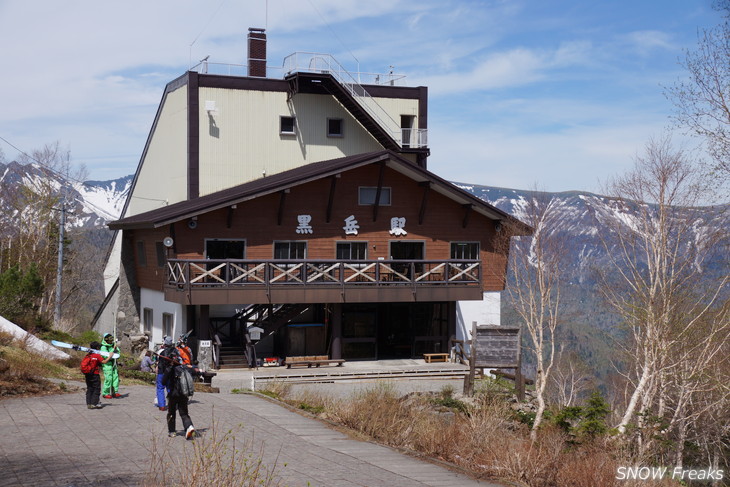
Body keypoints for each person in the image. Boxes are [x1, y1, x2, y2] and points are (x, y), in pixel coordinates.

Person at [162, 356, 196, 440]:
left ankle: (172, 431)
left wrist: (169, 367)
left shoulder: (171, 369)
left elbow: (163, 381)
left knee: (171, 413)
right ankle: (189, 427)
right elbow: (195, 372)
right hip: (184, 394)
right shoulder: (185, 368)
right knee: (184, 413)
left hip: (173, 395)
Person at [83, 341, 112, 409]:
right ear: (97, 347)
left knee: (90, 388)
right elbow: (104, 362)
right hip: (95, 374)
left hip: (88, 374)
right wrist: (110, 356)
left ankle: (89, 403)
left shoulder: (88, 354)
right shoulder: (97, 355)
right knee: (96, 388)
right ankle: (94, 403)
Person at [156, 336, 178, 411]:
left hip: (162, 372)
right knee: (170, 388)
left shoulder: (161, 351)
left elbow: (157, 361)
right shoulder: (175, 351)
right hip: (171, 372)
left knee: (160, 388)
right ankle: (172, 404)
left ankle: (162, 405)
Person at [100, 333, 121, 399]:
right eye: (109, 340)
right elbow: (105, 355)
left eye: (112, 340)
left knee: (115, 377)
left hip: (114, 363)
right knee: (108, 378)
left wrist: (116, 350)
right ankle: (105, 393)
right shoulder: (103, 347)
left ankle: (115, 391)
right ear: (106, 340)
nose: (111, 341)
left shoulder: (113, 345)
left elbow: (117, 353)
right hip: (107, 364)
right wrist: (113, 351)